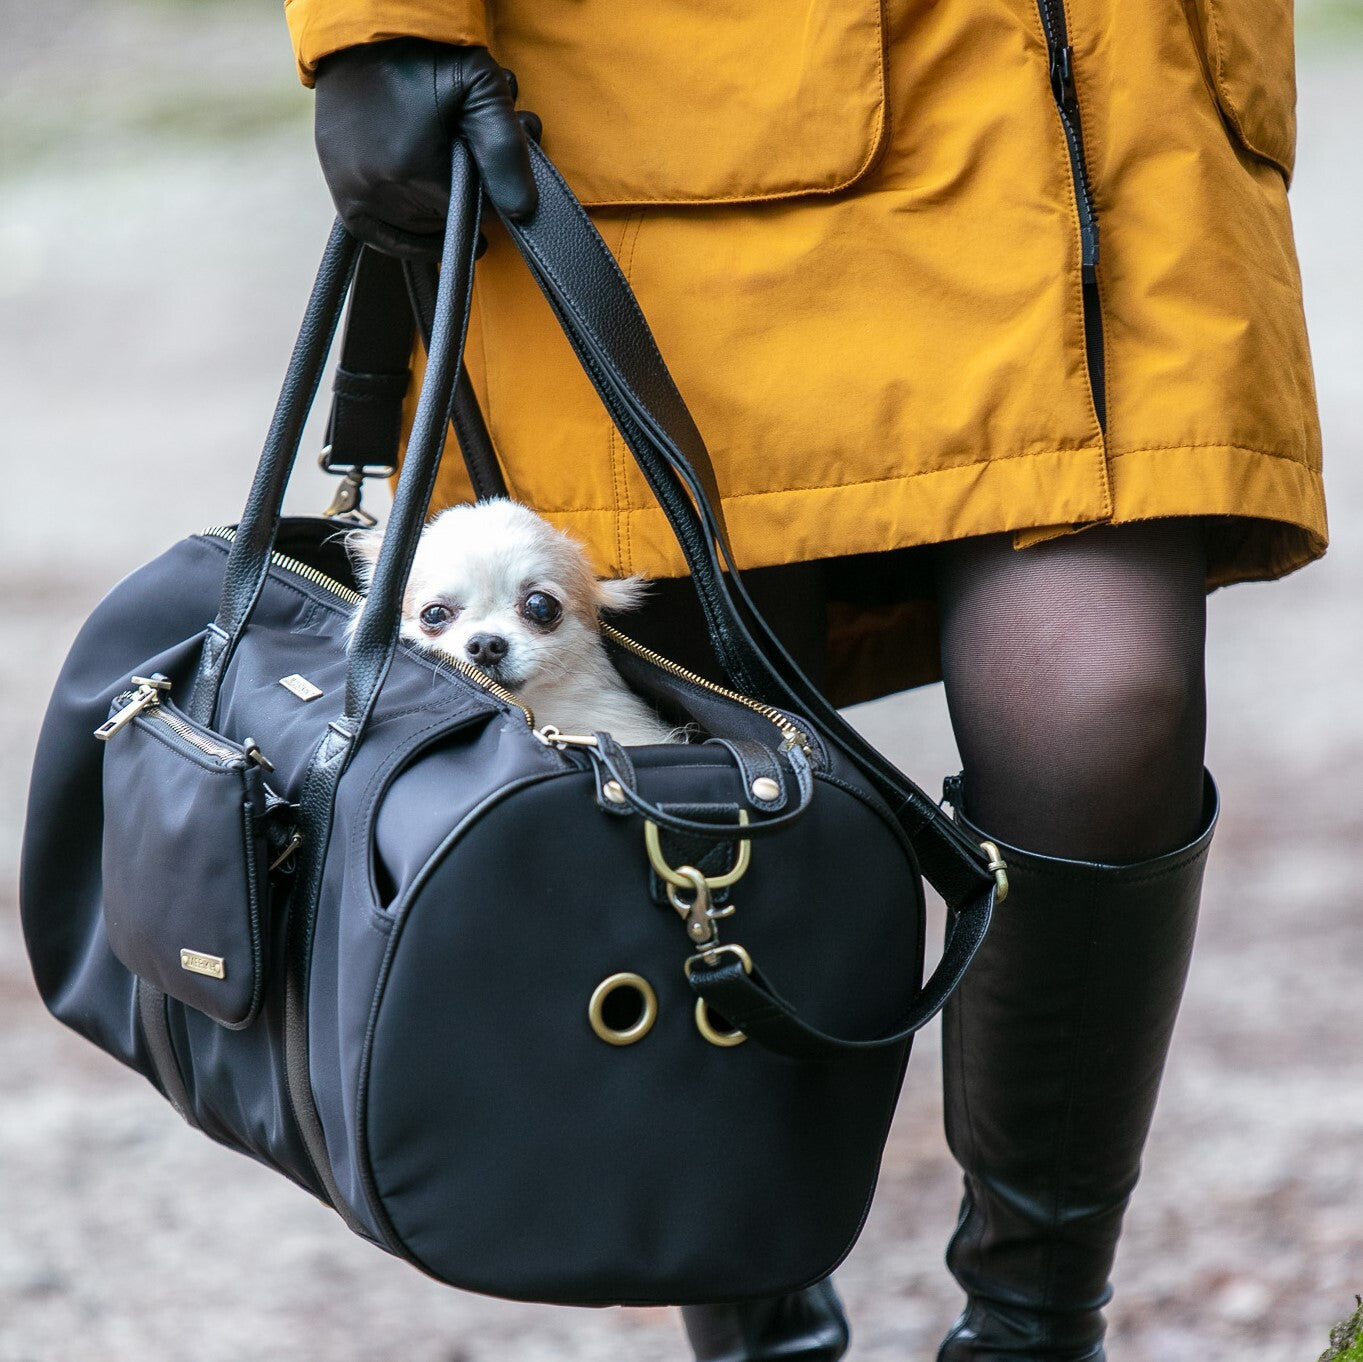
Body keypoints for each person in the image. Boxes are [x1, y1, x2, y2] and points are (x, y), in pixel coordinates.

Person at [285, 2, 1326, 1356]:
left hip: (1101, 87)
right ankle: (758, 1328)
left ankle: (1033, 1325)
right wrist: (380, 18)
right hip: (688, 87)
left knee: (1104, 705)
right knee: (695, 746)